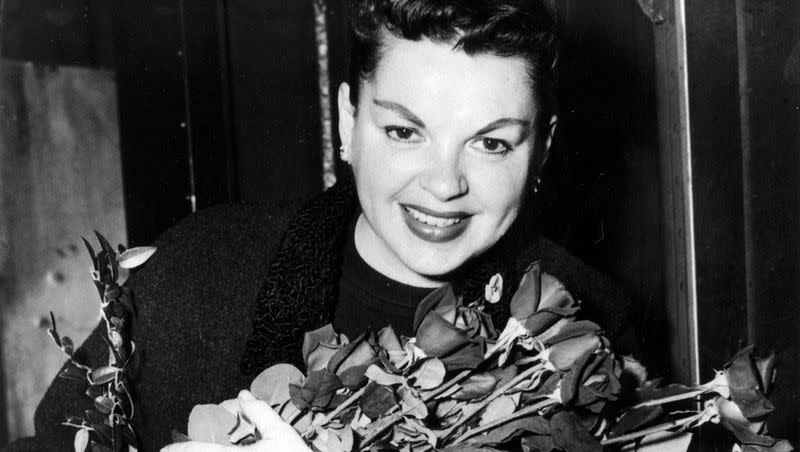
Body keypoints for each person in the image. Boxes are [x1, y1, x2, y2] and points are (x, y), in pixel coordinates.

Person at [6, 0, 642, 451]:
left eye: (493, 144)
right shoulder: (204, 265)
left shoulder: (592, 329)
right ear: (347, 122)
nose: (445, 182)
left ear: (542, 150)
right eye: (404, 130)